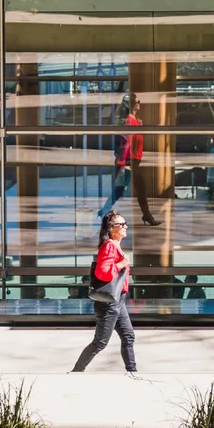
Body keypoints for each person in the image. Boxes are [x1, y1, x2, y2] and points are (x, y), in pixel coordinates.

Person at [71, 211, 139, 375]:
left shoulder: (115, 245)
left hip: (118, 300)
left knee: (128, 336)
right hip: (109, 303)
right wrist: (121, 264)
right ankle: (76, 371)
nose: (125, 227)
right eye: (121, 225)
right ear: (111, 228)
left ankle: (133, 371)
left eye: (125, 224)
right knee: (100, 342)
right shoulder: (109, 246)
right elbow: (102, 273)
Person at [99, 92, 160, 226]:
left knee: (132, 189)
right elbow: (124, 142)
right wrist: (124, 163)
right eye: (137, 101)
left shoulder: (136, 121)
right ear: (131, 104)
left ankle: (146, 215)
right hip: (128, 161)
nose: (139, 104)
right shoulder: (128, 121)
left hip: (135, 161)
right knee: (128, 189)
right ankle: (104, 212)